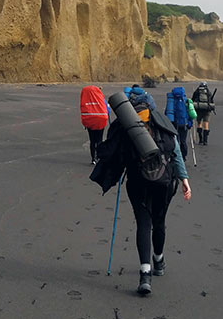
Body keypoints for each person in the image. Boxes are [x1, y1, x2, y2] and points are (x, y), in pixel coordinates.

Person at [91, 94, 192, 296]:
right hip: (164, 182)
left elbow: (115, 154)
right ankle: (158, 260)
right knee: (159, 222)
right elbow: (177, 154)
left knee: (143, 224)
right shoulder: (162, 124)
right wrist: (184, 180)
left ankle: (145, 274)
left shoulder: (127, 129)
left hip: (137, 182)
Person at [79, 85, 109, 164]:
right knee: (99, 140)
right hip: (100, 120)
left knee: (92, 140)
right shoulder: (100, 98)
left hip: (90, 120)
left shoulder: (86, 98)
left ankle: (93, 158)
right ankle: (99, 157)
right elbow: (107, 108)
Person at [164, 86, 193, 160]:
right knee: (183, 141)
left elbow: (167, 113)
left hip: (174, 124)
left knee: (175, 141)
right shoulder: (186, 100)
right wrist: (190, 123)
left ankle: (175, 156)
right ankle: (183, 156)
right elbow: (190, 113)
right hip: (184, 124)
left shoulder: (171, 101)